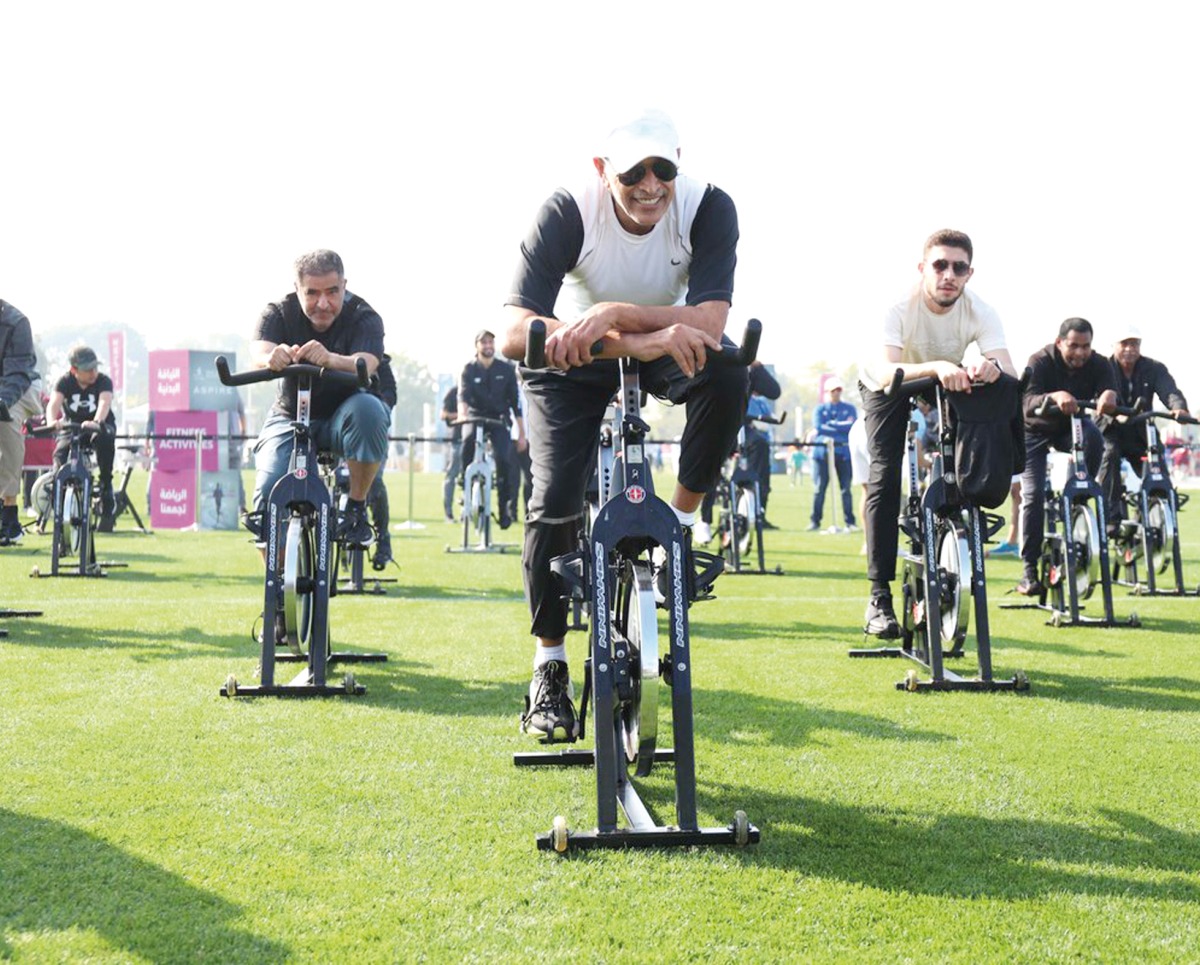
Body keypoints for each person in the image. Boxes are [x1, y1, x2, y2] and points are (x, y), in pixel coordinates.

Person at [501, 109, 746, 742]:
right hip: (574, 356)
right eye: (633, 171)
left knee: (727, 372)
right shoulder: (568, 210)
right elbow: (512, 333)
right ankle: (549, 667)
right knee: (555, 501)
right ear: (601, 170)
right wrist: (635, 337)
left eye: (663, 168)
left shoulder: (709, 207)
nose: (649, 184)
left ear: (678, 165)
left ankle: (680, 533)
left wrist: (614, 315)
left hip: (658, 341)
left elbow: (712, 326)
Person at [861, 229, 1016, 637]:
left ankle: (956, 513)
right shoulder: (897, 306)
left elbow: (1010, 374)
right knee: (884, 475)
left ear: (969, 273)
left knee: (984, 412)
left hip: (942, 379)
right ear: (922, 268)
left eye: (958, 267)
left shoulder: (981, 310)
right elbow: (884, 371)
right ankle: (878, 598)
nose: (949, 274)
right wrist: (935, 367)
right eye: (940, 265)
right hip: (887, 382)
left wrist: (991, 369)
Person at [249, 249, 390, 550]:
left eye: (332, 292)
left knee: (370, 411)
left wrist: (330, 359)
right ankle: (275, 586)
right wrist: (270, 358)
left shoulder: (364, 316)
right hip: (290, 416)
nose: (323, 303)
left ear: (344, 285)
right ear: (297, 289)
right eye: (312, 293)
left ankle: (355, 508)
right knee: (266, 493)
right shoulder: (278, 311)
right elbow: (260, 349)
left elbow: (367, 362)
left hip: (344, 417)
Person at [1017, 317, 1118, 595]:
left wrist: (1109, 395)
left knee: (1095, 437)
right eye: (1074, 346)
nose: (1080, 353)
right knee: (1034, 495)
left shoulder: (1098, 363)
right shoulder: (1039, 361)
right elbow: (1026, 403)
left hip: (1069, 427)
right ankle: (1029, 570)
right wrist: (1054, 397)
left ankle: (1079, 496)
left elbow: (1110, 386)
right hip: (1033, 431)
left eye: (1086, 346)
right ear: (1059, 342)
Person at [1097, 325, 1190, 534]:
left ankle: (1159, 508)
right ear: (1114, 345)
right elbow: (1097, 394)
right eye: (1125, 343)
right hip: (1111, 429)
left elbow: (1170, 391)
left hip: (1141, 430)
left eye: (1135, 343)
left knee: (1157, 470)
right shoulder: (1102, 367)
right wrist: (1111, 411)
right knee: (1109, 455)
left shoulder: (1154, 368)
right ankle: (1111, 517)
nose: (1130, 348)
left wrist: (1179, 409)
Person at [457, 329, 525, 530]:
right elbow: (462, 396)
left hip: (499, 419)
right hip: (475, 417)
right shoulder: (468, 369)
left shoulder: (505, 369)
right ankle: (465, 486)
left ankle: (504, 508)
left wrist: (521, 433)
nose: (488, 346)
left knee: (504, 459)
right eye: (484, 343)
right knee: (467, 442)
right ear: (477, 346)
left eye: (491, 342)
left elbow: (516, 403)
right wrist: (462, 414)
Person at [47, 345, 117, 532]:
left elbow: (104, 402)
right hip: (73, 427)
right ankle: (58, 488)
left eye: (95, 368)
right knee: (60, 453)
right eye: (88, 370)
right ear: (74, 370)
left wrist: (96, 421)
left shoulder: (103, 381)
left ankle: (106, 489)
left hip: (98, 426)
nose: (93, 373)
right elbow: (54, 404)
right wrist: (52, 421)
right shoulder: (64, 382)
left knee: (104, 441)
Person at [0, 300, 44, 544]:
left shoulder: (16, 322)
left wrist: (2, 401)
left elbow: (17, 373)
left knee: (5, 422)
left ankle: (9, 517)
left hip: (21, 387)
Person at [809, 378, 857, 531]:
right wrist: (840, 426)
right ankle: (815, 521)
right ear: (827, 392)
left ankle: (850, 522)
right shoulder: (819, 409)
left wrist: (831, 424)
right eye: (833, 390)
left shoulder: (849, 408)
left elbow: (851, 427)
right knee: (819, 488)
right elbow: (819, 427)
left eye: (838, 390)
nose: (836, 393)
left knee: (846, 489)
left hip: (843, 453)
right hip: (823, 454)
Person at [440, 384, 461, 523]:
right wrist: (463, 416)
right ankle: (448, 512)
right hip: (456, 439)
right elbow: (443, 415)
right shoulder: (453, 392)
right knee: (451, 475)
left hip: (473, 439)